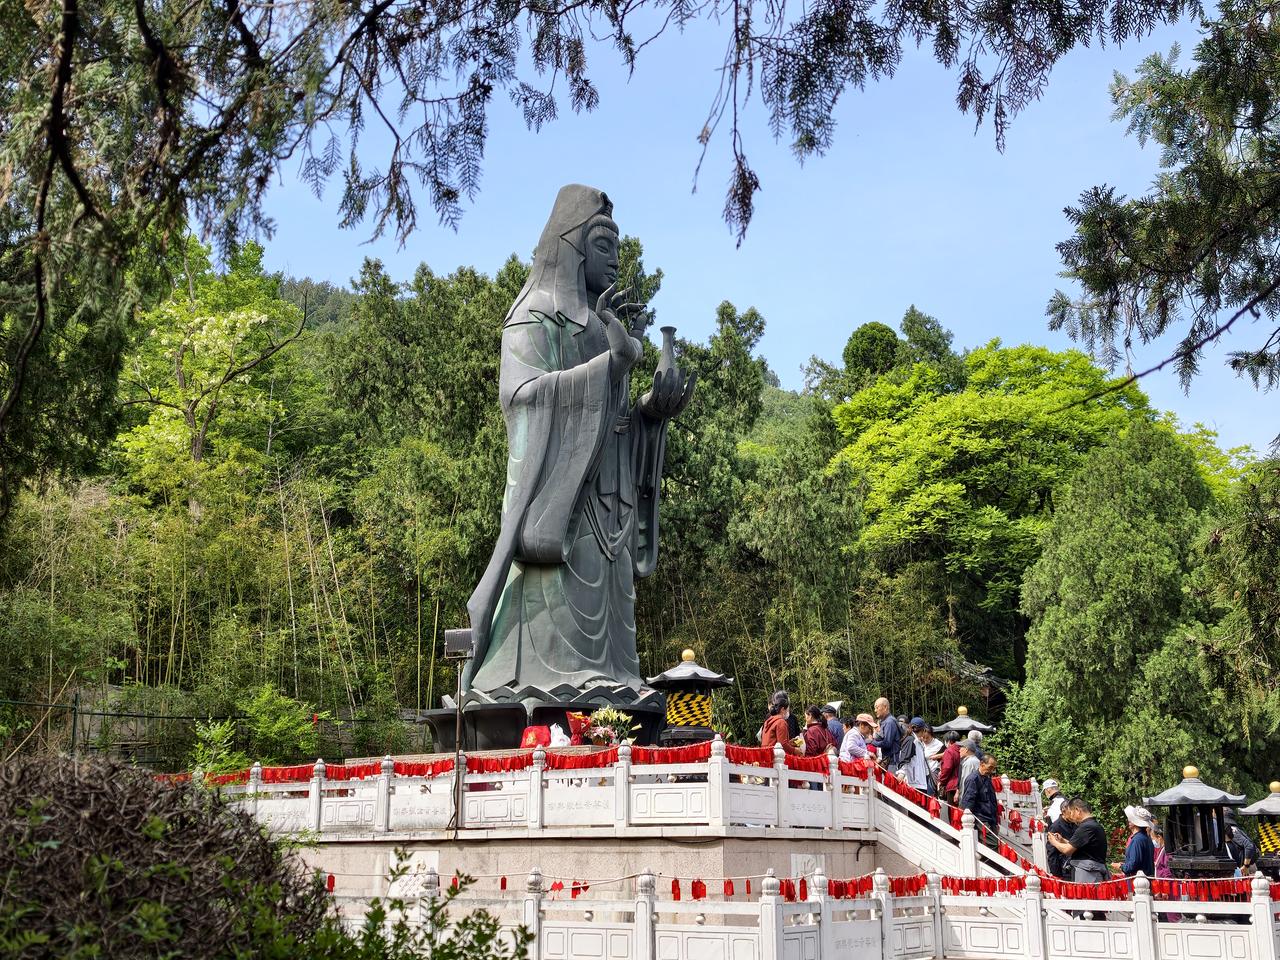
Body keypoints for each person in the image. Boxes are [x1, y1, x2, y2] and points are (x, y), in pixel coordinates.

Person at [1047, 798, 1110, 884]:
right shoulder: (1094, 825)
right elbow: (1079, 846)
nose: (1071, 816)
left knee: (1086, 893)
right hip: (1092, 871)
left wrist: (1054, 842)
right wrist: (1062, 840)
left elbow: (1067, 850)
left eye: (1071, 813)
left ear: (1077, 810)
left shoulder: (1086, 827)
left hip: (1088, 873)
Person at [961, 754, 1000, 846]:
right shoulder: (973, 779)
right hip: (980, 818)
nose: (991, 771)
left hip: (990, 818)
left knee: (992, 844)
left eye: (993, 768)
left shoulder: (987, 778)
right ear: (982, 764)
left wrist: (995, 821)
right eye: (990, 767)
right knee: (993, 844)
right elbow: (968, 801)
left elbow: (992, 800)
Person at [1113, 805, 1156, 877]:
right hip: (1146, 878)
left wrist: (1120, 866)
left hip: (1138, 880)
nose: (1129, 820)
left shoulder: (1137, 840)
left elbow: (1133, 865)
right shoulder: (1146, 838)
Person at [803, 705, 836, 788]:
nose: (805, 719)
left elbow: (810, 751)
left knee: (814, 792)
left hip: (814, 767)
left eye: (806, 716)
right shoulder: (825, 729)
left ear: (810, 716)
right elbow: (834, 744)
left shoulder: (811, 731)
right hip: (826, 767)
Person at [1046, 796, 1076, 879]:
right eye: (1070, 812)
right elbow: (1052, 852)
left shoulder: (1076, 824)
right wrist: (1057, 875)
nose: (1073, 815)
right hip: (1064, 868)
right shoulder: (1056, 826)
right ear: (1063, 811)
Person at [897, 718, 930, 792]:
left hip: (919, 782)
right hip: (913, 782)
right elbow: (905, 757)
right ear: (923, 729)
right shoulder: (911, 740)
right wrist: (901, 772)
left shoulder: (918, 741)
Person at [869, 698, 901, 771]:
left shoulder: (889, 722)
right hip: (887, 760)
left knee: (891, 778)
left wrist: (872, 742)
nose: (875, 710)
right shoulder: (884, 721)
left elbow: (887, 743)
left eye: (877, 707)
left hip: (892, 761)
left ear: (885, 707)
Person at [1225, 810, 1258, 874]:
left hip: (1246, 868)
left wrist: (1246, 866)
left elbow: (1249, 846)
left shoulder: (1232, 830)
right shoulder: (1237, 829)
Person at [916, 722, 944, 789]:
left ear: (932, 735)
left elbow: (947, 754)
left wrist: (937, 756)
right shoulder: (919, 743)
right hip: (920, 773)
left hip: (932, 772)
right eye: (923, 737)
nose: (925, 740)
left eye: (927, 737)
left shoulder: (939, 745)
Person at [938, 732, 961, 805]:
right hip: (960, 784)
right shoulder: (962, 749)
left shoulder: (949, 751)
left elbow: (947, 768)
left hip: (952, 784)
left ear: (949, 741)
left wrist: (941, 781)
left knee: (952, 809)